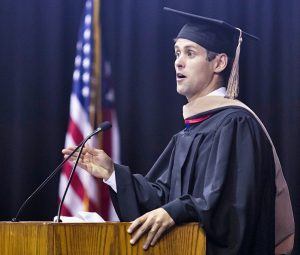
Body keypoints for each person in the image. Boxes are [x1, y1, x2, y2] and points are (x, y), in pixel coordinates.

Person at [62, 7, 294, 255]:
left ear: (219, 62)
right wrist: (112, 173)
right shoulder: (189, 132)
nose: (178, 61)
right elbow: (162, 199)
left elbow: (230, 209)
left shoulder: (236, 124)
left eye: (190, 53)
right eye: (177, 52)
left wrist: (176, 211)